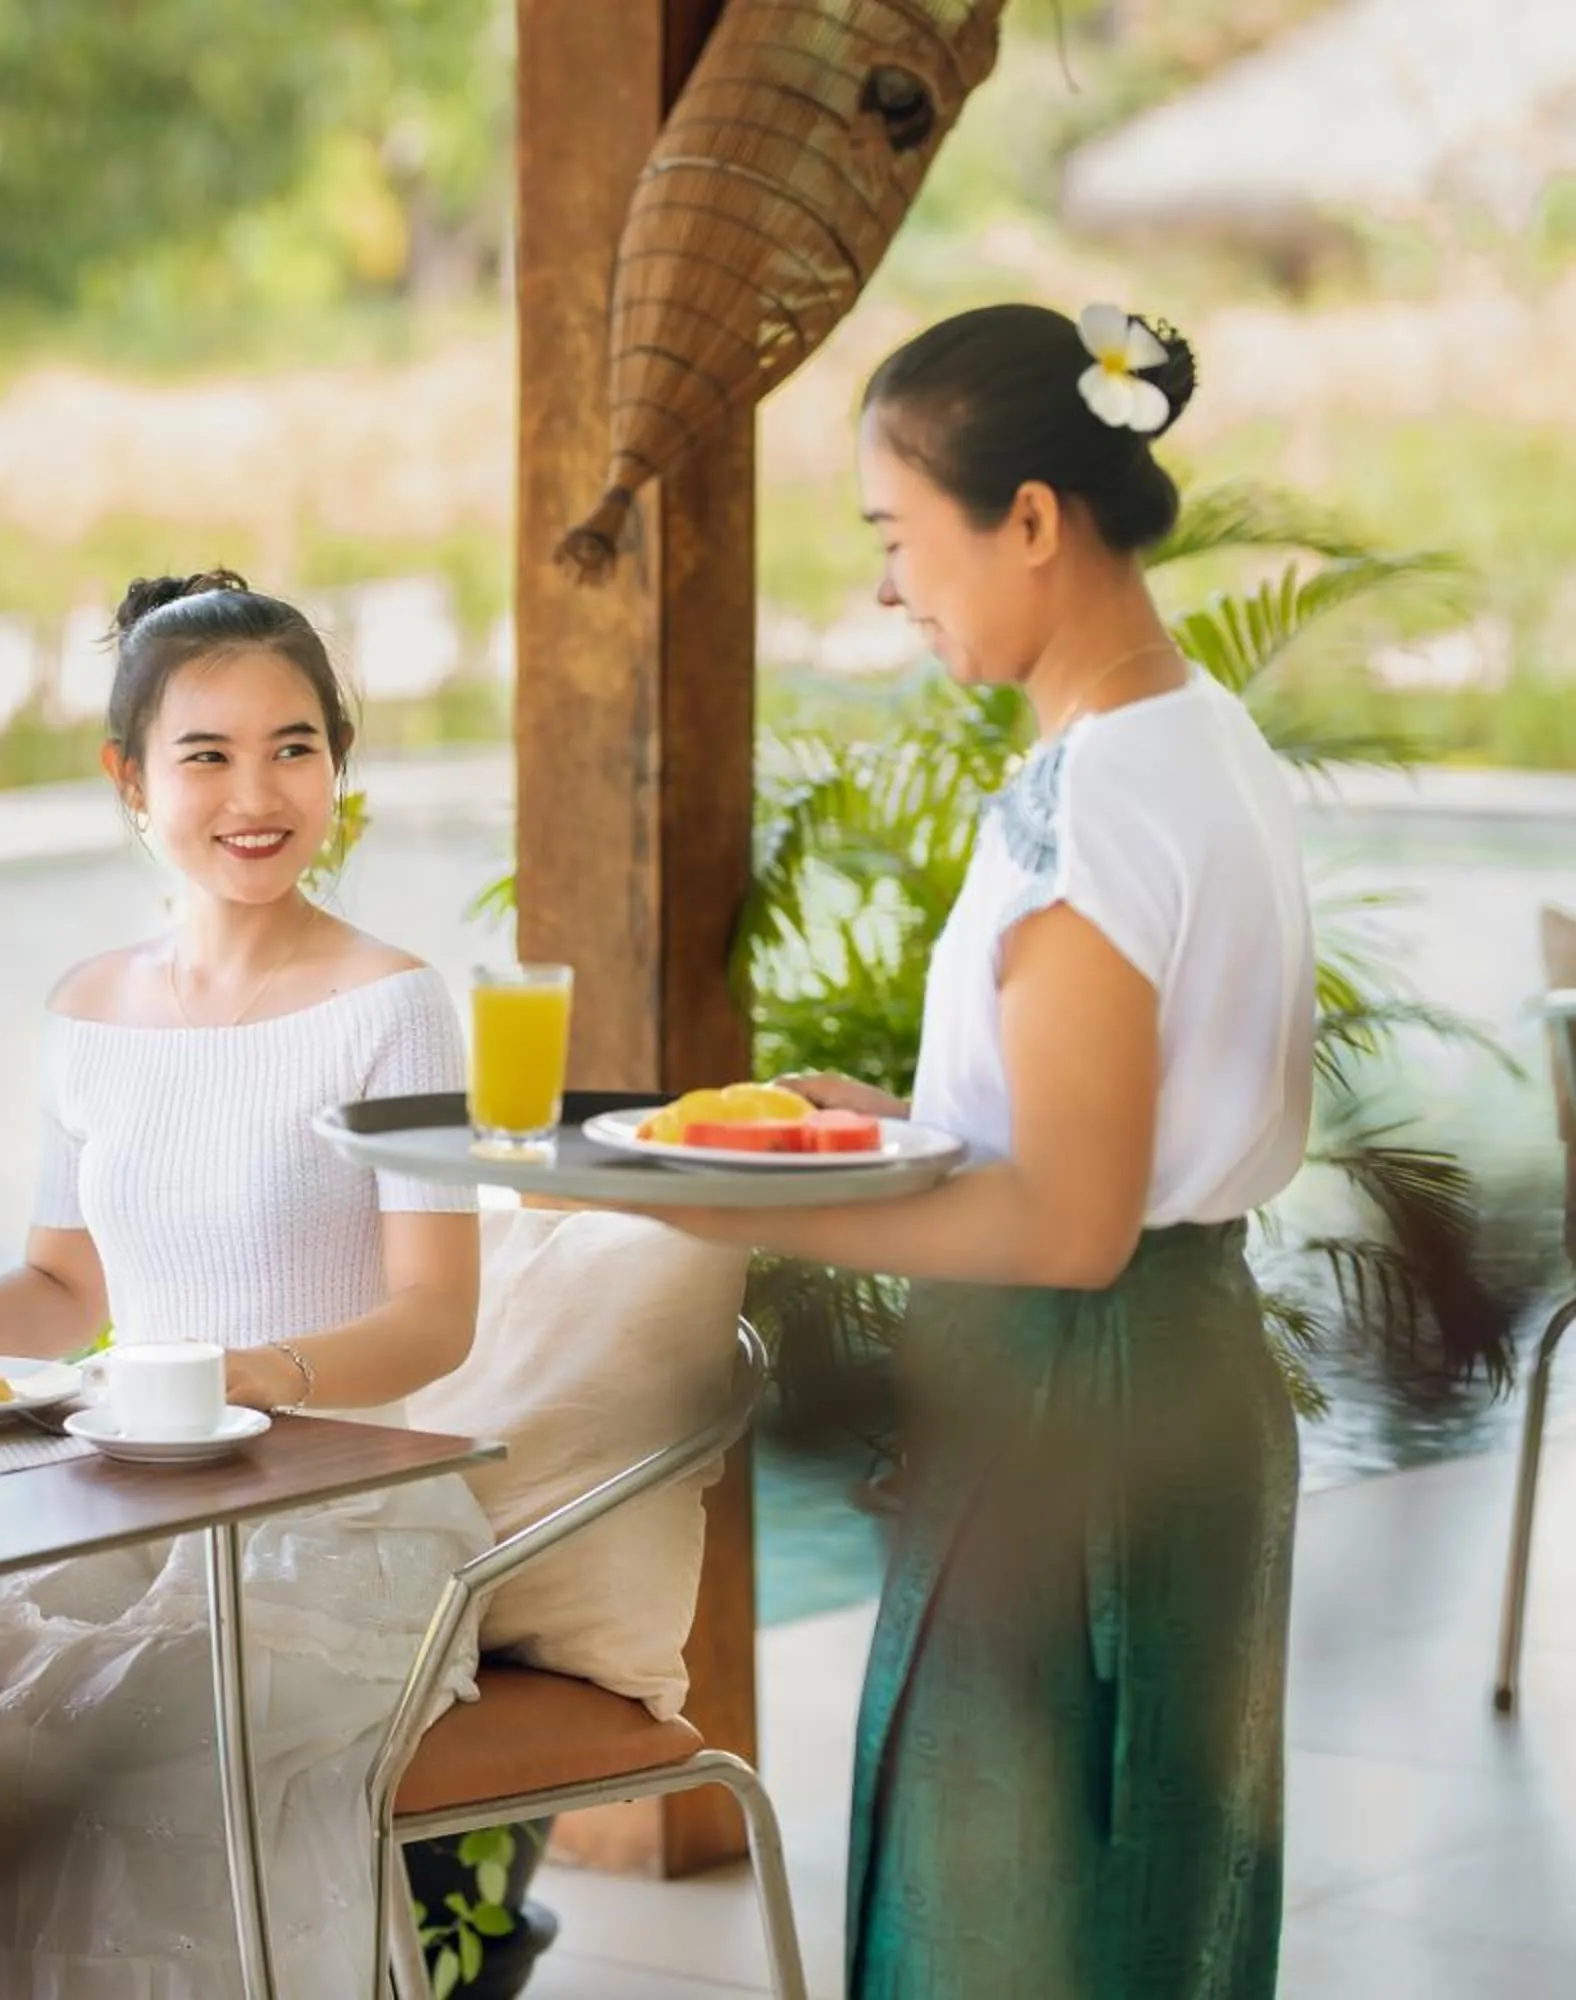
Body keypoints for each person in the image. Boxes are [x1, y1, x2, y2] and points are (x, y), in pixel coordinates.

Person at [612, 305, 1312, 2000]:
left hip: (1084, 1401)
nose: (887, 591)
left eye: (897, 539)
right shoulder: (1198, 740)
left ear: (1030, 522)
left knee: (1014, 1918)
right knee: (1144, 1901)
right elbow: (1100, 1144)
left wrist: (753, 1197)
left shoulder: (1101, 806)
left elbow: (1072, 1225)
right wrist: (897, 1120)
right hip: (1175, 1372)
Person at [0, 571, 491, 1997]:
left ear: (337, 767)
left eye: (295, 747)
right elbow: (63, 1291)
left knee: (124, 1761)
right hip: (133, 1500)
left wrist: (258, 1377)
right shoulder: (89, 1011)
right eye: (208, 754)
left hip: (341, 1525)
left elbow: (438, 1317)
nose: (259, 794)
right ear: (130, 779)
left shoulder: (396, 1004)